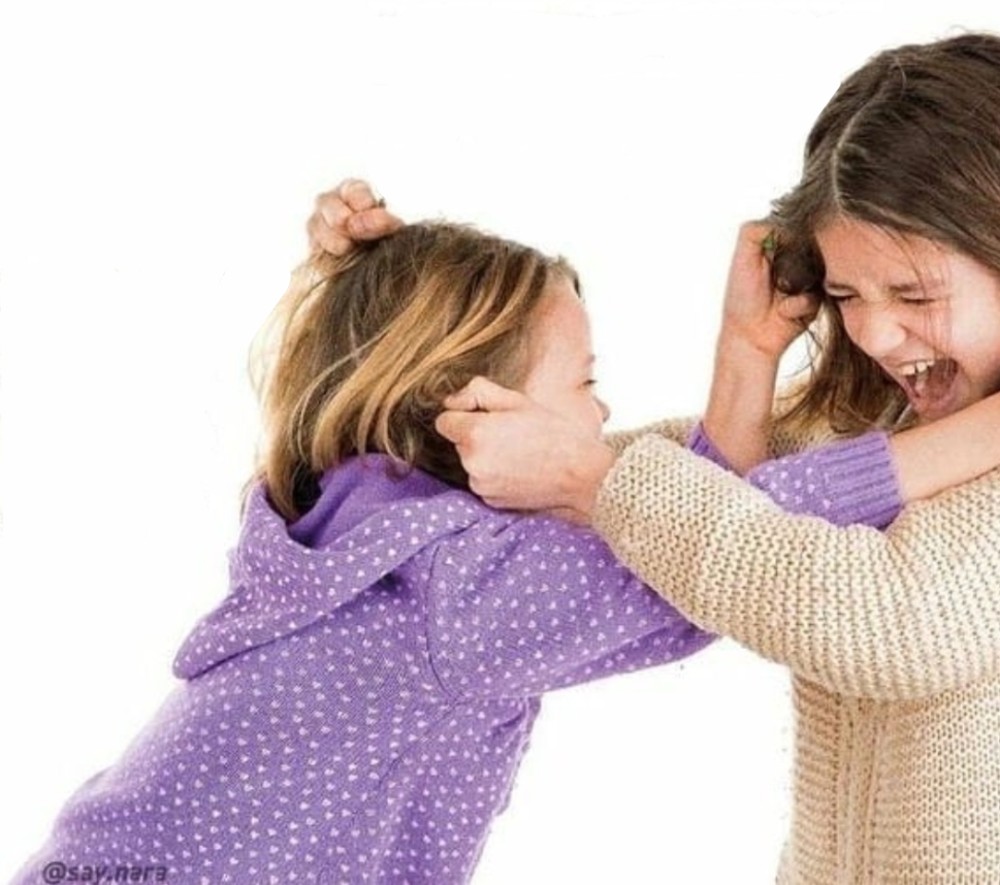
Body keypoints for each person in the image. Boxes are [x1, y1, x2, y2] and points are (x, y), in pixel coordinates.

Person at [15, 216, 875, 885]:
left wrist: (750, 349)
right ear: (466, 407)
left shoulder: (340, 504)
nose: (602, 415)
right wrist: (955, 444)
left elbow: (677, 526)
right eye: (583, 382)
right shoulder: (464, 588)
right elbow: (701, 556)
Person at [411, 33, 1000, 884]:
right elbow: (711, 481)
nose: (871, 333)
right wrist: (377, 309)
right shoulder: (889, 415)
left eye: (913, 294)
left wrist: (594, 481)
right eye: (844, 294)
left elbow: (895, 623)